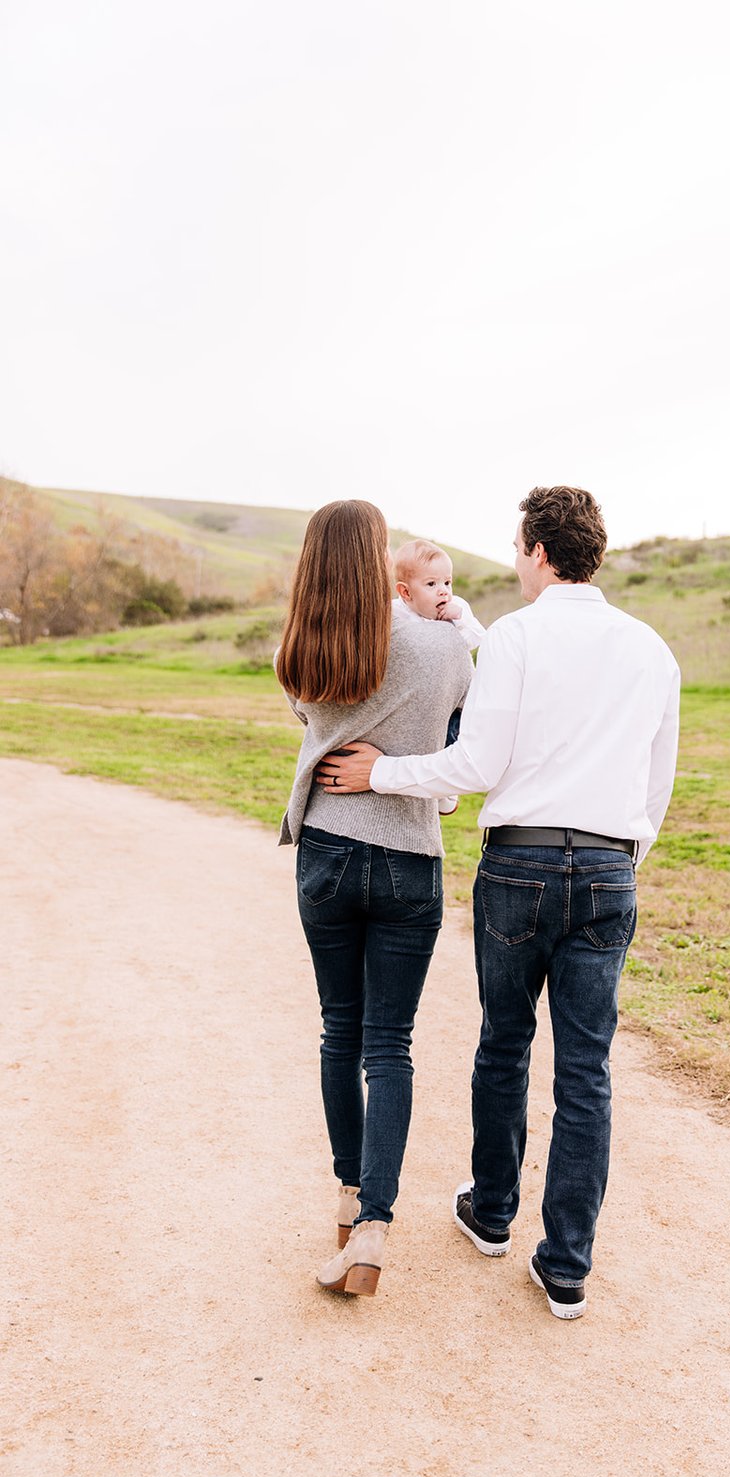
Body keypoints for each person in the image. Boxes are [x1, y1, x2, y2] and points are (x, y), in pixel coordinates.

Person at [317, 485, 680, 1319]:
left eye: (519, 548)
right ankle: (566, 1266)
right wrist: (622, 857)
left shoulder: (516, 637)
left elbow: (475, 763)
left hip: (517, 868)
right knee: (586, 1071)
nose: (516, 563)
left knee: (504, 1045)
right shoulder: (651, 649)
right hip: (610, 867)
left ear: (540, 553)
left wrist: (384, 774)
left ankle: (491, 1214)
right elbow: (655, 783)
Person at [275, 499, 471, 1297]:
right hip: (407, 853)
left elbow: (310, 718)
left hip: (325, 846)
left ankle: (351, 1193)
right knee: (391, 1044)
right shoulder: (442, 645)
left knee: (339, 1033)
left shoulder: (301, 650)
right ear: (381, 560)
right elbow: (462, 717)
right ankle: (376, 1227)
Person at [392, 539, 486, 814]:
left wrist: (457, 621)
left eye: (447, 582)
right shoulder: (396, 614)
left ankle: (447, 792)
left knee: (452, 737)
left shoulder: (457, 608)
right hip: (418, 696)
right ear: (405, 593)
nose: (443, 591)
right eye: (432, 585)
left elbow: (477, 638)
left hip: (454, 696)